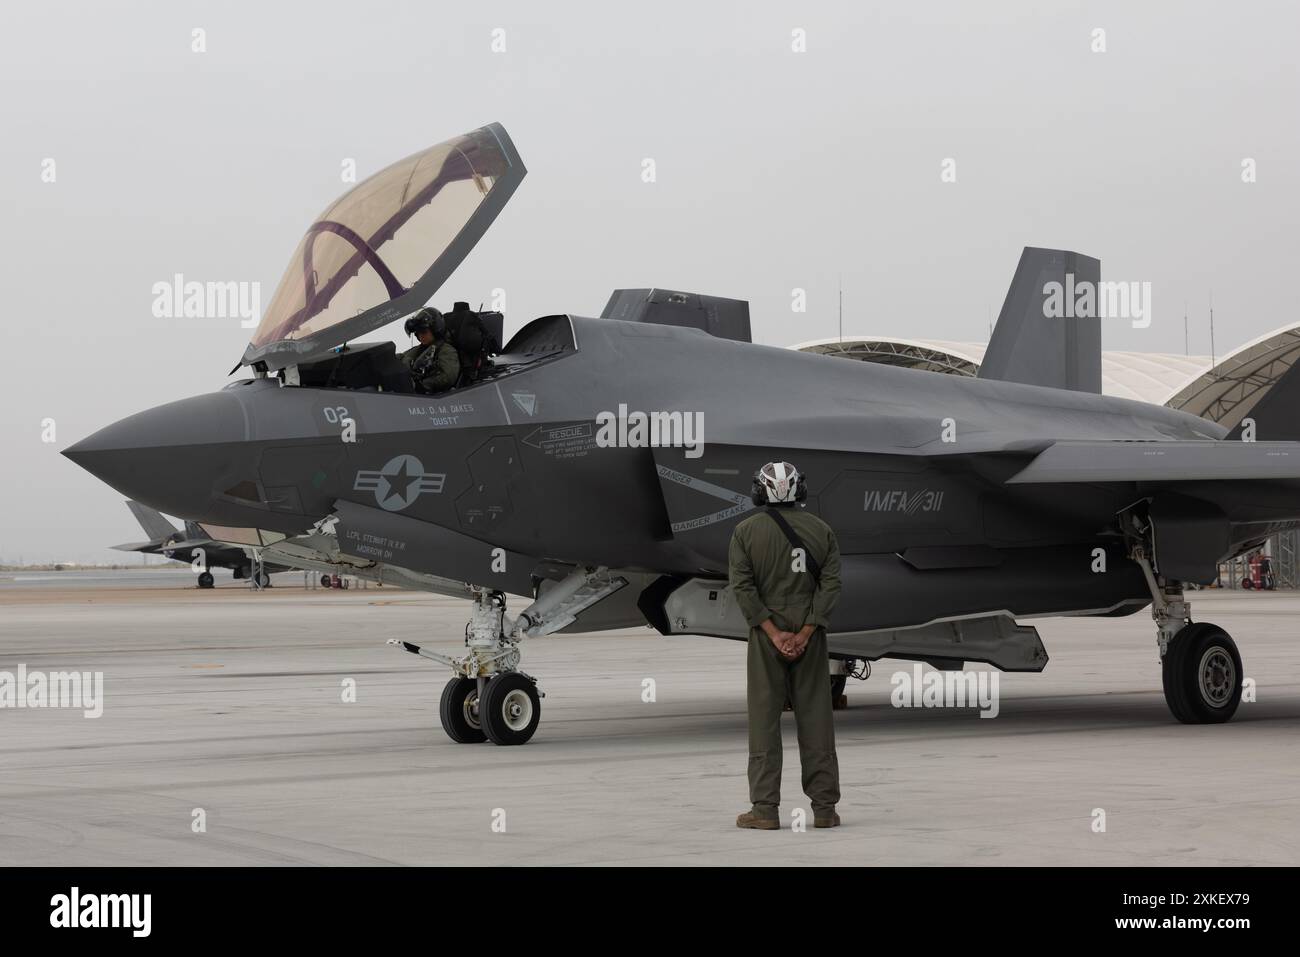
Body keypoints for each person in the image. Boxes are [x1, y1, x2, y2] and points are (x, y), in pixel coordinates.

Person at [729, 460, 843, 830]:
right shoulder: (822, 530)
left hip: (766, 634)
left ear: (761, 491)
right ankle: (824, 809)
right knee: (817, 720)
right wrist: (807, 630)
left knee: (764, 720)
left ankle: (764, 809)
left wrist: (774, 632)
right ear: (800, 490)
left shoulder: (745, 532)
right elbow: (831, 585)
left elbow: (743, 588)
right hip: (811, 632)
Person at [401, 308, 460, 394]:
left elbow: (448, 376)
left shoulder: (446, 350)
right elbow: (401, 358)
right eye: (418, 333)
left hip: (435, 399)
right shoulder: (419, 349)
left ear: (435, 329)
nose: (421, 336)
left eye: (424, 332)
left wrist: (423, 385)